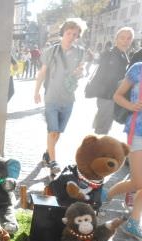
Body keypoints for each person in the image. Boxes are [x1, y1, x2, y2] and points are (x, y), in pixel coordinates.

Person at [34, 18, 86, 176]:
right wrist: (36, 91)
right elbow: (43, 72)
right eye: (69, 33)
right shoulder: (52, 51)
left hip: (68, 99)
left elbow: (81, 72)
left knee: (58, 133)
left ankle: (47, 154)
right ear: (63, 32)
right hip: (51, 97)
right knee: (53, 131)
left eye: (75, 34)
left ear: (78, 36)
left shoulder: (80, 52)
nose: (71, 36)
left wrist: (79, 73)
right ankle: (53, 163)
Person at [107, 62, 142, 240]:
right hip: (137, 131)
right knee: (137, 183)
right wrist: (132, 106)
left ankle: (133, 223)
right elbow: (117, 96)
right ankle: (104, 196)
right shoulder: (138, 69)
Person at [91, 27, 134, 134]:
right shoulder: (110, 54)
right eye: (122, 38)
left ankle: (98, 146)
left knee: (105, 125)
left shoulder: (123, 54)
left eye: (129, 38)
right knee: (102, 128)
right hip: (107, 96)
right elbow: (102, 76)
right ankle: (97, 148)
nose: (125, 41)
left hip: (112, 96)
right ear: (116, 39)